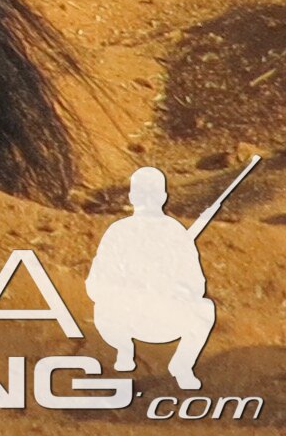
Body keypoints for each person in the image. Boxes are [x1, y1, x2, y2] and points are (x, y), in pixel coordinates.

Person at [87, 167, 220, 391]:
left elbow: (195, 285)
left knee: (204, 308)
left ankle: (178, 365)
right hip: (129, 317)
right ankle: (125, 350)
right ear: (163, 197)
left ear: (132, 197)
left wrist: (170, 287)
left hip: (155, 318)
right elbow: (96, 284)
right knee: (204, 309)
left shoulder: (172, 234)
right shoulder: (121, 232)